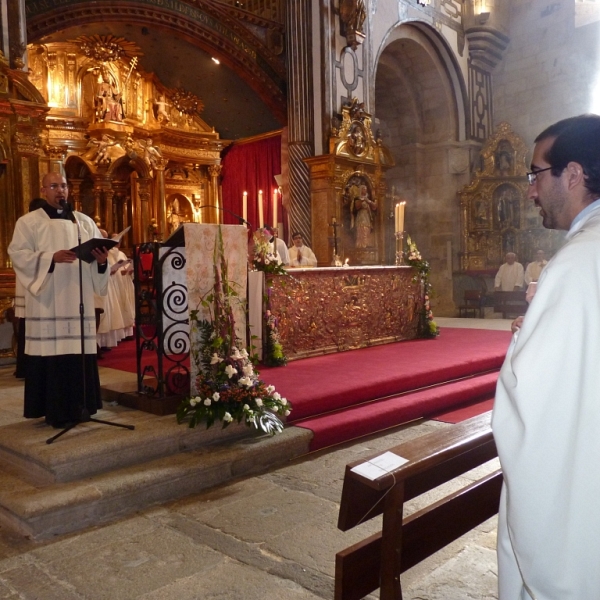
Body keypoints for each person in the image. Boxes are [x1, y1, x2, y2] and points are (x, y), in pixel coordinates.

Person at [492, 114, 600, 599]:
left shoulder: (578, 262)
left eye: (536, 174)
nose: (530, 190)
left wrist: (525, 339)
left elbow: (530, 399)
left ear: (572, 175)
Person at [8, 172, 109, 428]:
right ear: (44, 190)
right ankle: (54, 410)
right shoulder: (29, 222)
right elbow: (17, 254)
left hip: (79, 299)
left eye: (63, 185)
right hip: (48, 302)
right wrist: (49, 258)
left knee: (78, 354)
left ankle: (82, 406)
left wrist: (101, 260)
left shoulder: (83, 222)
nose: (60, 190)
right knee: (53, 358)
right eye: (54, 186)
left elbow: (98, 255)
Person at [13, 197, 47, 378]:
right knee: (28, 328)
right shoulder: (28, 226)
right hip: (33, 285)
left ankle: (25, 367)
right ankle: (26, 367)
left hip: (32, 282)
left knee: (27, 327)